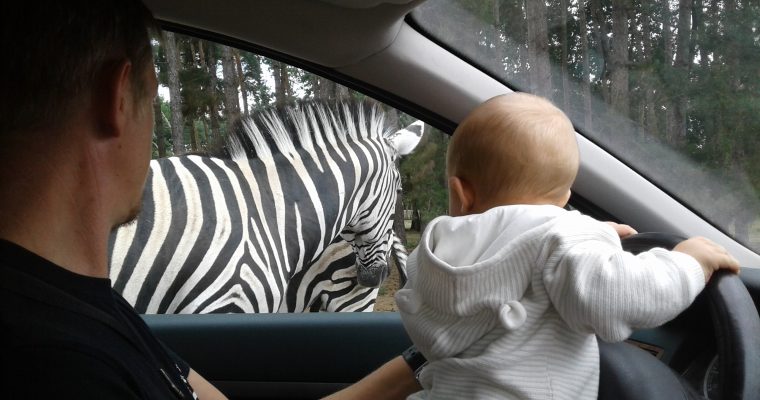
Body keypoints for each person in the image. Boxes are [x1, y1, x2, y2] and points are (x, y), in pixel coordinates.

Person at [0, 1, 423, 399]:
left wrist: (418, 361)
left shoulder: (87, 306)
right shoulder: (67, 366)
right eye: (151, 100)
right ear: (119, 97)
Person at [394, 93, 740, 399]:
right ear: (565, 199)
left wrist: (590, 237)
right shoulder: (563, 239)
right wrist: (688, 263)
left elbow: (518, 244)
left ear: (459, 193)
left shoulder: (431, 255)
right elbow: (622, 297)